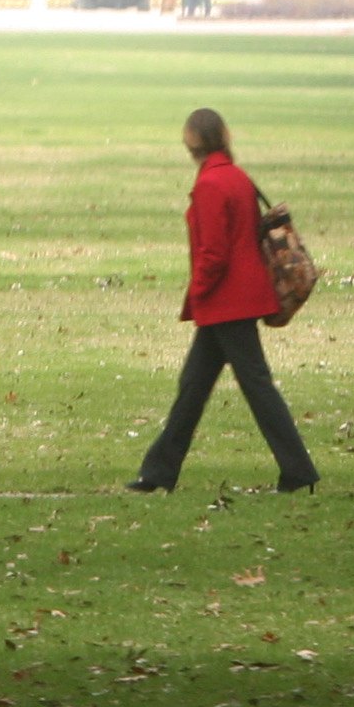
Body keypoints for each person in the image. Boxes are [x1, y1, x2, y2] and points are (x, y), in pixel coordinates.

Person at [130, 108, 316, 493]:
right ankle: (159, 472)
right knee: (194, 387)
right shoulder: (236, 177)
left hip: (226, 302)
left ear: (191, 141)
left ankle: (298, 470)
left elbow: (213, 254)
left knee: (253, 387)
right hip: (237, 299)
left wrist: (197, 293)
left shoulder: (212, 184)